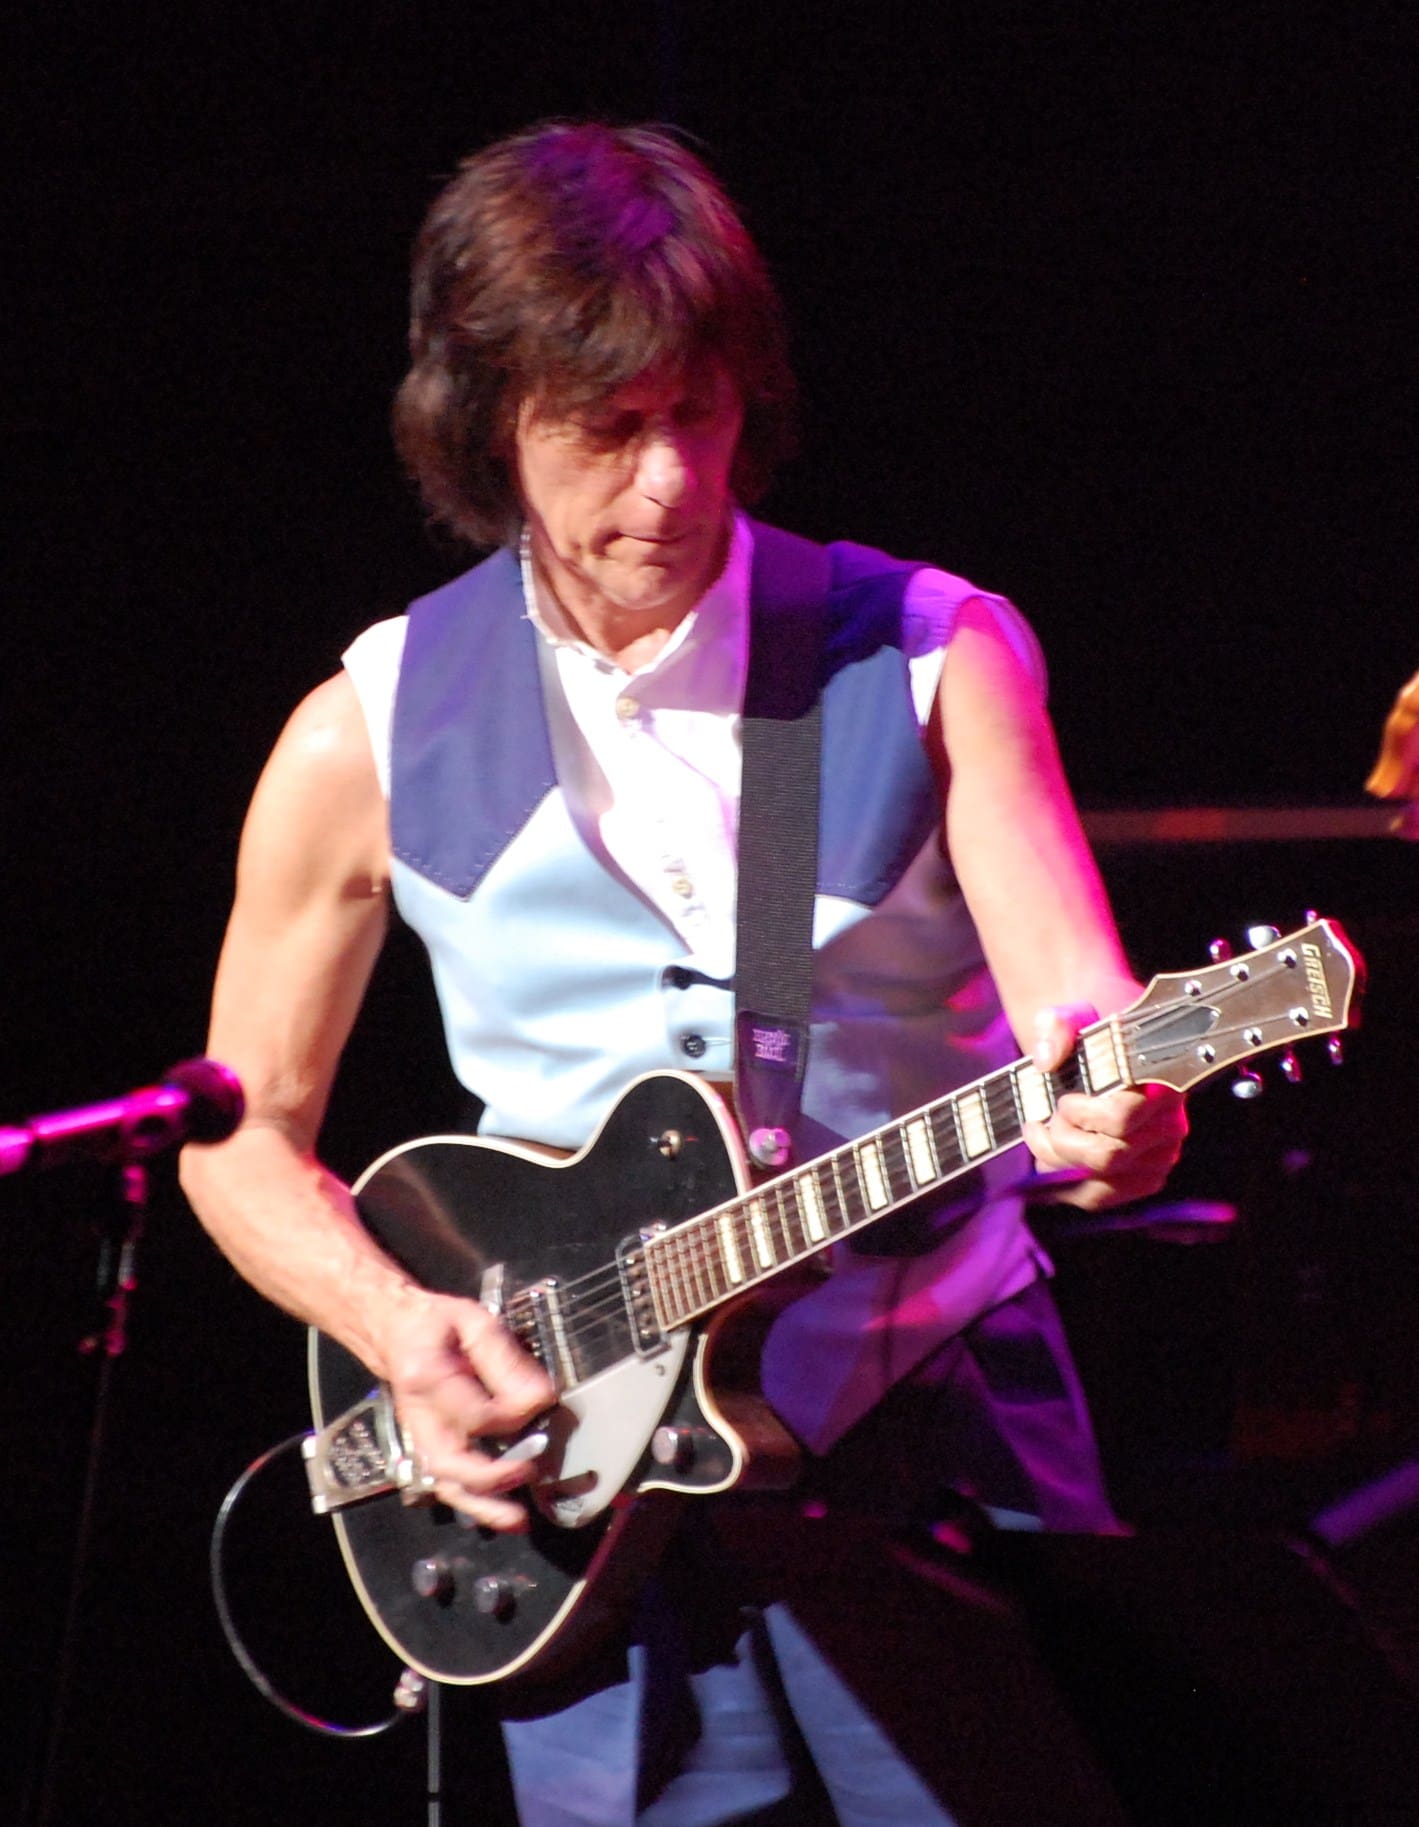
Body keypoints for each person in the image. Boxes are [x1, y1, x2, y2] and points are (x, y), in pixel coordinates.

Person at [181, 120, 1187, 1826]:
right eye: (606, 428)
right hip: (580, 1486)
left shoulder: (933, 651)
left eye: (696, 416)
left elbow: (1086, 1035)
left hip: (933, 1423)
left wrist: (1120, 1119)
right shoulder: (363, 730)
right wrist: (400, 1332)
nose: (668, 483)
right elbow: (236, 1135)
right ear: (488, 421)